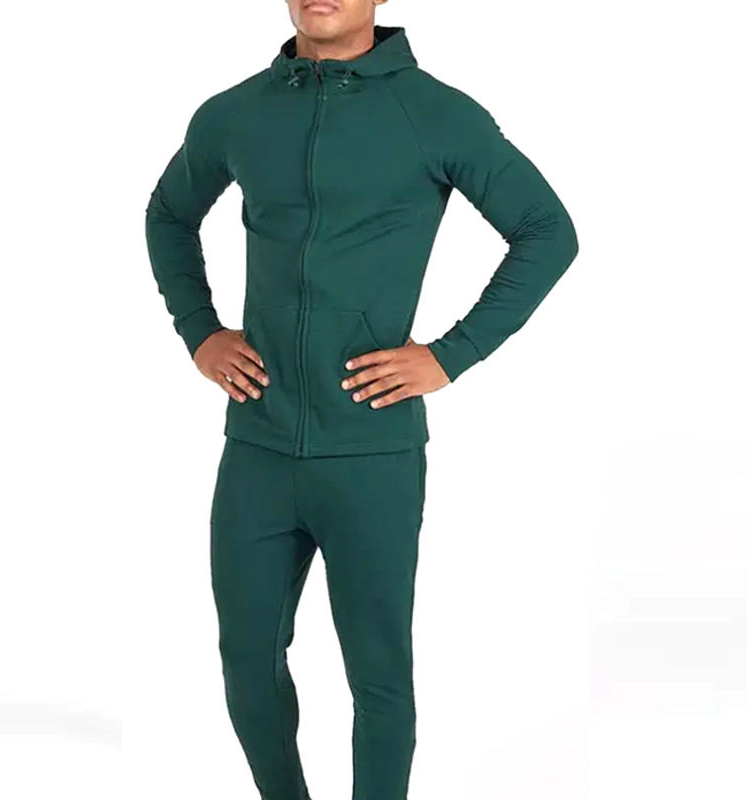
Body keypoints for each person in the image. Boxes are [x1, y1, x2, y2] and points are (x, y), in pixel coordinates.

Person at [144, 1, 579, 798]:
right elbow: (169, 213)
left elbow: (548, 230)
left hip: (371, 453)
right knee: (246, 662)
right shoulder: (235, 112)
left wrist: (451, 355)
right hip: (258, 447)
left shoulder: (433, 113)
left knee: (377, 675)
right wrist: (199, 330)